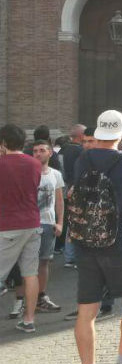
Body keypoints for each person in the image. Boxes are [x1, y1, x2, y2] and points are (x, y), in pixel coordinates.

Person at [71, 110, 122, 364]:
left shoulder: (83, 158)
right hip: (120, 241)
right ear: (121, 133)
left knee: (87, 309)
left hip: (85, 242)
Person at [0, 124, 43, 333]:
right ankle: (29, 320)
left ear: (3, 143)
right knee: (30, 274)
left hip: (8, 224)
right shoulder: (35, 163)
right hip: (32, 222)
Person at [31, 140, 65, 312]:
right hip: (29, 224)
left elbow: (59, 201)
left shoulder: (55, 174)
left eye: (42, 150)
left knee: (44, 262)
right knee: (27, 263)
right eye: (35, 151)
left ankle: (41, 297)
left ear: (50, 153)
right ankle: (23, 300)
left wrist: (60, 223)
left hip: (48, 223)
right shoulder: (28, 173)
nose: (38, 153)